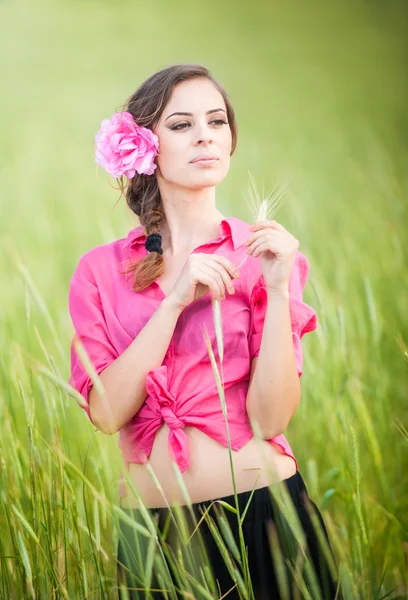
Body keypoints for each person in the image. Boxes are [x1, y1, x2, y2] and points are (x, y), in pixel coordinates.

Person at [68, 63, 341, 599]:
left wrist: (280, 288)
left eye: (216, 121)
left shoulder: (264, 255)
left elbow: (271, 417)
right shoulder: (99, 270)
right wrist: (172, 304)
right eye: (181, 124)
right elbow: (106, 412)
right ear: (144, 146)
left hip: (265, 514)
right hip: (156, 537)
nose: (204, 136)